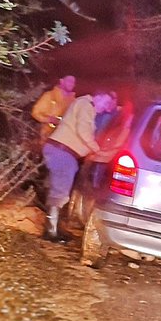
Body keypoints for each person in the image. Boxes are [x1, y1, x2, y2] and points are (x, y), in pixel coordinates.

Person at [41, 90, 117, 241]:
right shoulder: (86, 105)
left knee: (60, 190)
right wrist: (96, 148)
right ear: (98, 96)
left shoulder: (84, 105)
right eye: (106, 103)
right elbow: (83, 130)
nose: (107, 107)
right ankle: (51, 231)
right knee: (60, 191)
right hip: (62, 152)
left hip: (64, 153)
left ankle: (54, 227)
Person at [31, 75, 77, 146]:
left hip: (62, 140)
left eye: (73, 82)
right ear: (61, 81)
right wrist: (48, 119)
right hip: (45, 137)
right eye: (69, 81)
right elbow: (35, 112)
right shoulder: (49, 96)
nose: (71, 83)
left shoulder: (73, 102)